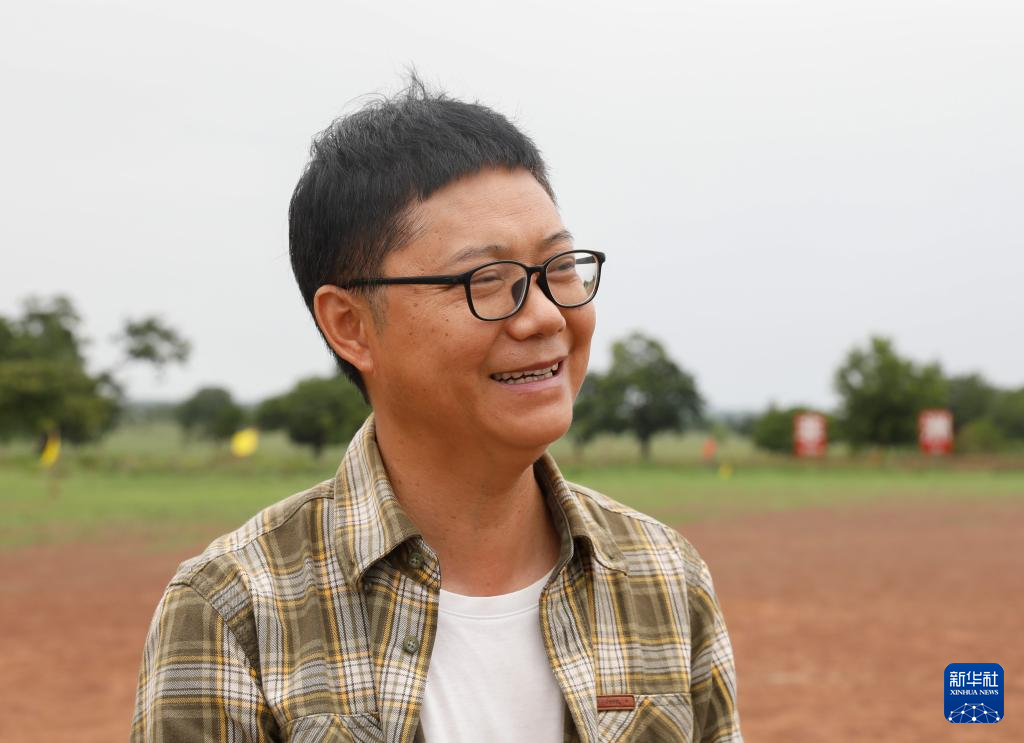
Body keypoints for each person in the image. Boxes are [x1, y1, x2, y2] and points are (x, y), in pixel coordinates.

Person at [131, 79, 742, 743]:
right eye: (486, 280)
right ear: (350, 326)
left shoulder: (664, 577)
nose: (544, 316)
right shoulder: (236, 611)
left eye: (560, 266)